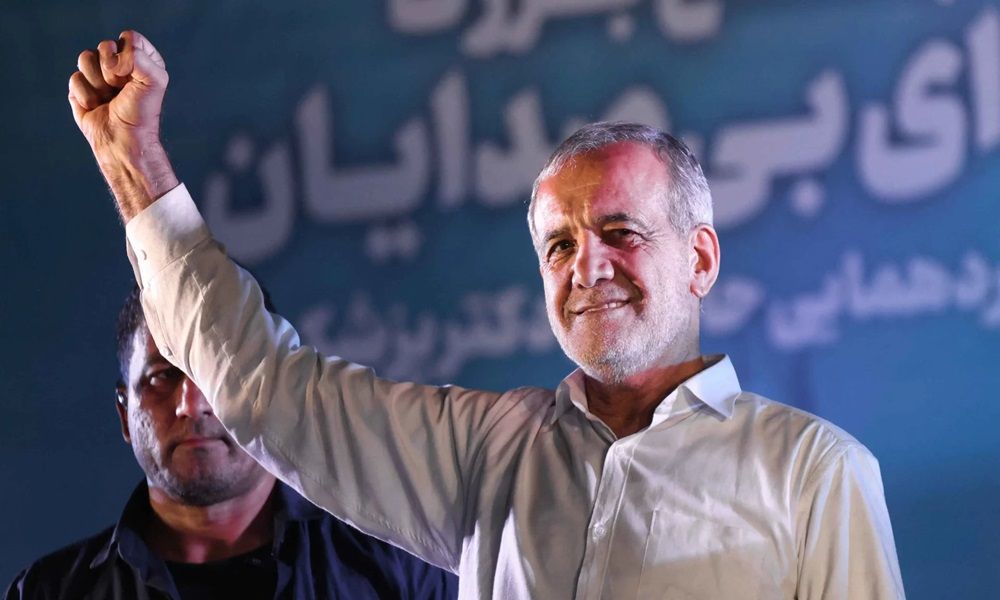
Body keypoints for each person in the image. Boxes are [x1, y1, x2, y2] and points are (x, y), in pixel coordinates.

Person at [66, 31, 906, 599]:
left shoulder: (813, 474)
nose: (587, 269)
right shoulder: (488, 455)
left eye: (621, 233)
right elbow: (263, 388)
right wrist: (134, 163)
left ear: (700, 260)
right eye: (559, 246)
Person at [4, 286, 458, 599]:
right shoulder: (49, 592)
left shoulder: (399, 564)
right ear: (125, 414)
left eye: (217, 373)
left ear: (273, 391)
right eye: (162, 377)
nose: (192, 404)